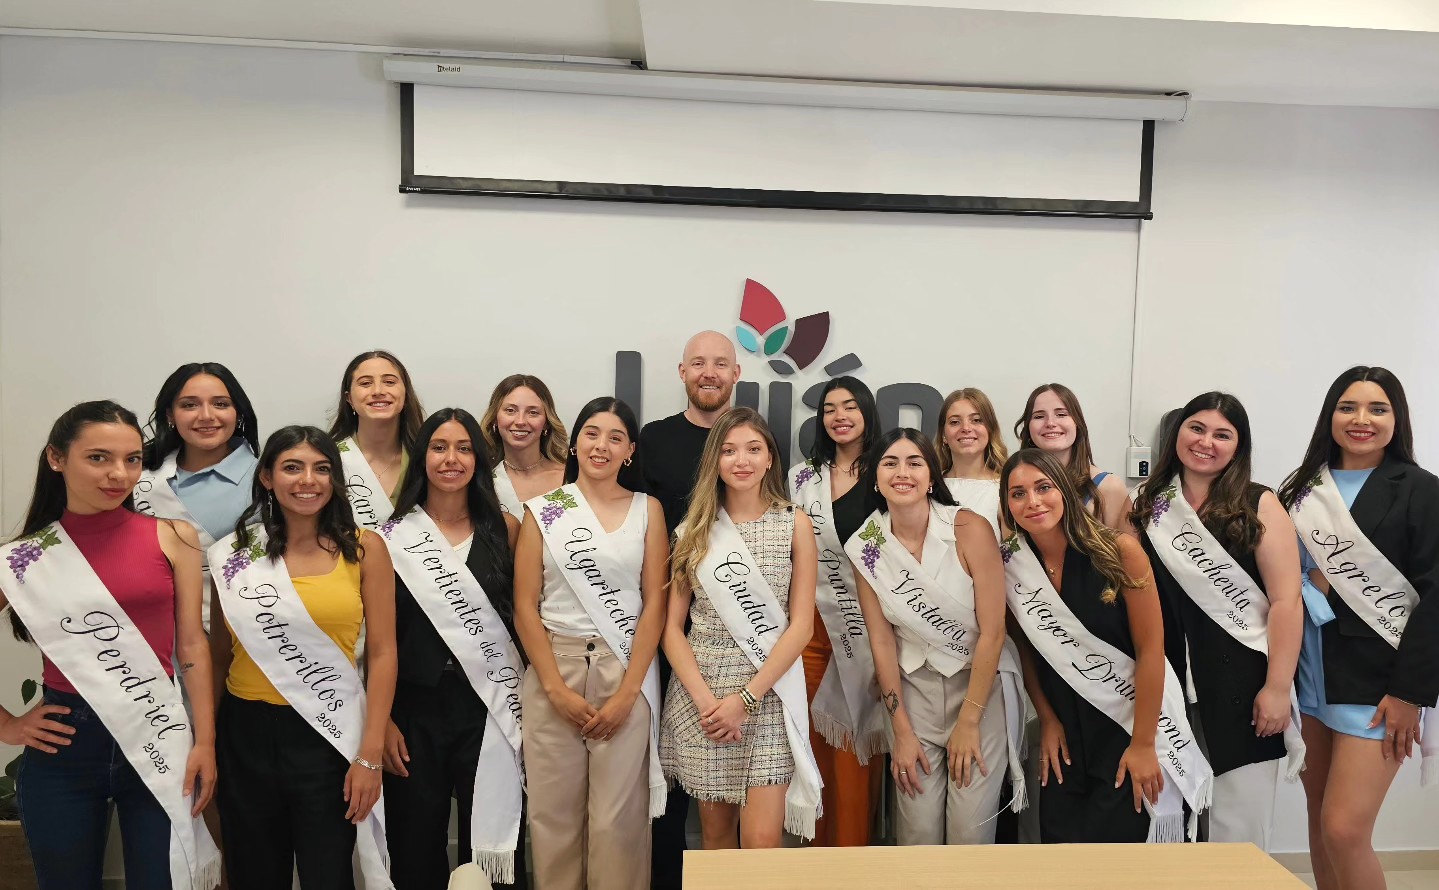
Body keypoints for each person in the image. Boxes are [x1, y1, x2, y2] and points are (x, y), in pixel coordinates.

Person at [0, 400, 220, 890]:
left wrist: (205, 741)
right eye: (98, 457)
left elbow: (191, 646)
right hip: (66, 742)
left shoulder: (174, 536)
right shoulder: (23, 558)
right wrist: (8, 725)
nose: (119, 474)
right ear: (56, 458)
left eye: (132, 459)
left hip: (159, 731)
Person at [208, 426, 398, 889]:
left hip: (328, 734)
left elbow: (383, 652)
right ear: (267, 477)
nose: (308, 480)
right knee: (253, 875)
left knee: (327, 874)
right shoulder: (234, 555)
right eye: (292, 467)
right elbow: (217, 655)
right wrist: (206, 741)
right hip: (244, 734)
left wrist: (370, 754)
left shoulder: (364, 547)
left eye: (321, 468)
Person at [1278, 367, 1439, 890]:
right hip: (1309, 674)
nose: (1361, 419)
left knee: (1345, 830)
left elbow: (1435, 597)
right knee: (1319, 821)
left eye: (1377, 408)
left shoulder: (1421, 489)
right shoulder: (1302, 488)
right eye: (1347, 407)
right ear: (1330, 415)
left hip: (1377, 682)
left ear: (1397, 418)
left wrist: (1410, 692)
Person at [1001, 448, 1211, 843]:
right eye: (1018, 493)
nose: (1032, 502)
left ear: (1064, 491)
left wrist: (1144, 744)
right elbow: (1024, 652)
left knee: (1124, 856)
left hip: (1127, 725)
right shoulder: (1011, 568)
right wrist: (1047, 719)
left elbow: (1151, 650)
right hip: (1064, 734)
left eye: (1043, 487)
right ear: (1007, 505)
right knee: (1064, 853)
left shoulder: (1119, 552)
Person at [1130, 392, 1304, 850]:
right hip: (1167, 685)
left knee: (1239, 829)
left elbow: (1287, 602)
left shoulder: (1259, 503)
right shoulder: (1149, 505)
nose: (1206, 442)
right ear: (1178, 433)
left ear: (1238, 446)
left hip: (1244, 685)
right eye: (1197, 428)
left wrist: (1278, 688)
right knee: (1171, 821)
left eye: (1222, 435)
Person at [512, 398, 668, 890]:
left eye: (615, 437)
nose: (602, 446)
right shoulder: (545, 511)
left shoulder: (648, 510)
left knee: (616, 824)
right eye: (592, 434)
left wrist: (628, 693)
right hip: (553, 670)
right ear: (575, 443)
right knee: (553, 821)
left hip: (623, 671)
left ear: (630, 451)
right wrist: (554, 689)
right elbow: (525, 606)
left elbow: (655, 605)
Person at [844, 429, 1024, 845]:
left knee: (968, 836)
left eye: (914, 463)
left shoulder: (970, 528)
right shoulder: (866, 545)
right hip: (913, 692)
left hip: (979, 688)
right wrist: (901, 731)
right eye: (890, 463)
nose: (902, 473)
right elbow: (881, 641)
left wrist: (970, 720)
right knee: (917, 835)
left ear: (931, 477)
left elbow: (994, 631)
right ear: (875, 478)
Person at [660, 408, 822, 849]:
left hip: (768, 696)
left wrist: (746, 700)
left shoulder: (795, 523)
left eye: (753, 449)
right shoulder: (693, 531)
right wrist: (708, 704)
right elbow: (672, 629)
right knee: (715, 838)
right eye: (729, 451)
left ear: (770, 458)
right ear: (715, 460)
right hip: (705, 699)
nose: (741, 460)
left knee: (761, 844)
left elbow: (802, 626)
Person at [379, 408, 527, 888]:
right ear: (422, 458)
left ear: (478, 460)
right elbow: (374, 638)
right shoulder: (389, 537)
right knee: (414, 841)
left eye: (464, 448)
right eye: (439, 447)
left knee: (490, 843)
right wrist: (383, 720)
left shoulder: (506, 529)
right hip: (413, 708)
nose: (451, 459)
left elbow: (522, 619)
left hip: (488, 704)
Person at [639, 329, 740, 887]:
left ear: (736, 375)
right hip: (666, 622)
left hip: (737, 631)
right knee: (667, 770)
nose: (709, 373)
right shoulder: (653, 439)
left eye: (720, 364)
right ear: (682, 372)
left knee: (731, 767)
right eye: (698, 363)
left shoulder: (750, 437)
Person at [786, 376, 886, 846]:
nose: (839, 416)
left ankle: (852, 855)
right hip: (810, 631)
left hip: (869, 631)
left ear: (867, 411)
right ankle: (813, 858)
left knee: (855, 752)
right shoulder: (802, 478)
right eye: (829, 408)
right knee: (814, 744)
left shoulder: (887, 471)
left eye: (850, 406)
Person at [137, 361, 261, 631]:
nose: (206, 416)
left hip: (232, 636)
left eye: (220, 404)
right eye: (190, 405)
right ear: (170, 414)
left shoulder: (265, 480)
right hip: (144, 635)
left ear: (238, 412)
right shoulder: (136, 474)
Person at [327, 350, 426, 531]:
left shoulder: (427, 459)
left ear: (405, 393)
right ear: (349, 398)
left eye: (389, 382)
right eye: (366, 383)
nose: (378, 391)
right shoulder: (328, 460)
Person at [1014, 383, 1133, 534]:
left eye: (1061, 414)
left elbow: (1124, 547)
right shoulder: (1013, 484)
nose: (1050, 423)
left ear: (1077, 423)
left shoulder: (1109, 486)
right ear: (1028, 428)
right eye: (1039, 416)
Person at [480, 374, 567, 517]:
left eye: (533, 412)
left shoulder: (571, 478)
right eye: (510, 410)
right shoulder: (481, 482)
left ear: (546, 422)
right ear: (495, 418)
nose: (520, 421)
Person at [936, 388, 1007, 534]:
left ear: (990, 429)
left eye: (976, 420)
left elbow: (1012, 548)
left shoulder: (1005, 489)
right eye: (955, 422)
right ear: (943, 435)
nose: (966, 428)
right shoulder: (928, 486)